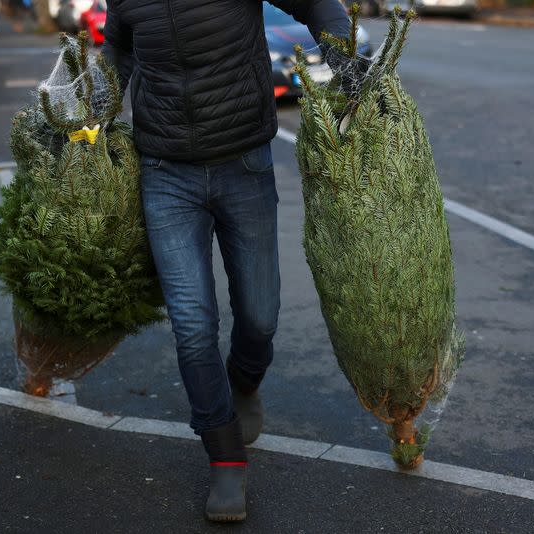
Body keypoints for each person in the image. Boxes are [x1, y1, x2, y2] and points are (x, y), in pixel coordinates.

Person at [101, 0, 351, 523]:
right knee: (193, 325)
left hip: (244, 163)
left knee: (261, 315)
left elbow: (318, 5)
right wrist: (89, 116)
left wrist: (349, 61)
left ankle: (245, 381)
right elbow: (120, 52)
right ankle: (225, 456)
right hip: (166, 171)